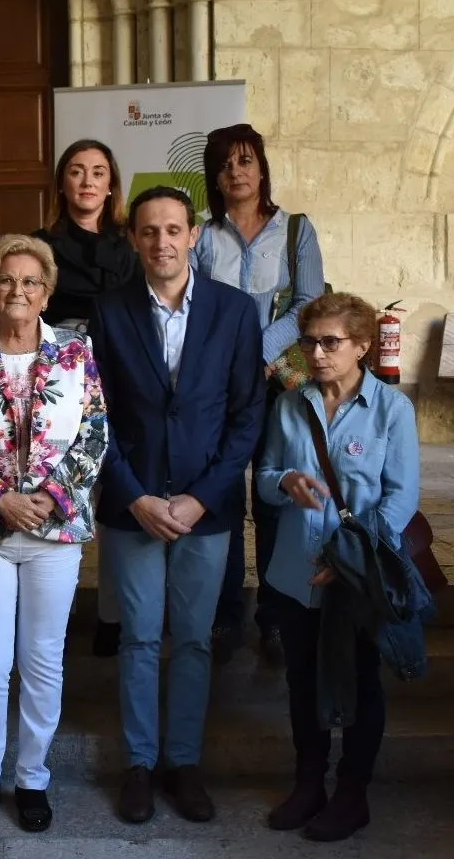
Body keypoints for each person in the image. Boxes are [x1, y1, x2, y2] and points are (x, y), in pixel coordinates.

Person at [86, 186, 264, 827]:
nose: (161, 241)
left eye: (173, 230)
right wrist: (132, 494)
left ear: (194, 236)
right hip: (132, 506)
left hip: (204, 508)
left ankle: (182, 764)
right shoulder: (109, 313)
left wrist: (200, 497)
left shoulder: (236, 312)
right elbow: (92, 416)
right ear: (134, 239)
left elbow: (247, 416)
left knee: (191, 640)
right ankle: (138, 765)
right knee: (137, 639)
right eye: (148, 231)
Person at [0, 234, 108, 833]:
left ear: (48, 291)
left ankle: (32, 777)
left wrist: (51, 498)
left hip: (55, 531)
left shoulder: (76, 353)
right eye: (6, 280)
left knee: (42, 660)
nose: (18, 291)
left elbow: (95, 433)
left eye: (31, 281)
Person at [255, 292, 419, 843]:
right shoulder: (288, 404)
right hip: (295, 575)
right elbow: (264, 477)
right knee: (302, 683)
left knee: (359, 684)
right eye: (309, 342)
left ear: (363, 346)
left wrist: (346, 558)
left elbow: (399, 501)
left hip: (357, 576)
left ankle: (353, 793)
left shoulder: (392, 411)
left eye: (331, 342)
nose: (317, 353)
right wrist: (285, 482)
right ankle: (309, 784)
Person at [193, 123, 327, 666]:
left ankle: (275, 614)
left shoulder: (296, 230)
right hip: (219, 389)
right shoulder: (202, 236)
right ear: (215, 176)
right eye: (226, 164)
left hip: (280, 385)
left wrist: (253, 351)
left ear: (262, 168)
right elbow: (195, 308)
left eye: (246, 161)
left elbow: (308, 305)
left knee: (275, 499)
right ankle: (224, 614)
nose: (236, 172)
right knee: (221, 496)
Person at [34, 138, 138, 658]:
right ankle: (56, 612)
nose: (88, 181)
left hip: (121, 380)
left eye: (99, 171)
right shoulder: (40, 243)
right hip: (58, 390)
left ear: (111, 183)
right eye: (77, 171)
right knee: (59, 492)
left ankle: (112, 617)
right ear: (62, 183)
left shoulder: (132, 244)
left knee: (116, 501)